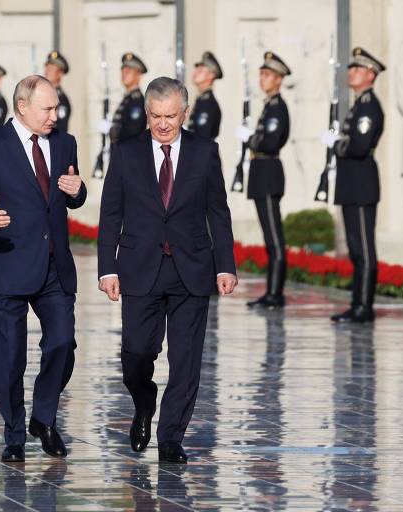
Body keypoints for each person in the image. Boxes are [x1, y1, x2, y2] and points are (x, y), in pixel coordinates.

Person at [97, 76, 237, 464]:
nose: (163, 124)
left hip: (191, 268)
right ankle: (144, 403)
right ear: (147, 114)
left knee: (186, 358)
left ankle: (171, 436)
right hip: (139, 267)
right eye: (156, 116)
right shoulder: (125, 153)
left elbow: (218, 211)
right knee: (136, 353)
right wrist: (107, 268)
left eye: (171, 116)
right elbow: (110, 214)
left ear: (185, 113)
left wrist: (225, 264)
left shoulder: (205, 151)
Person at [0, 75, 87, 461]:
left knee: (63, 342)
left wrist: (77, 190)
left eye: (57, 107)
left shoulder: (65, 142)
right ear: (22, 108)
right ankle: (14, 432)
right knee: (9, 357)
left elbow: (71, 195)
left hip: (53, 266)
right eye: (47, 108)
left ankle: (43, 418)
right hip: (8, 263)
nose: (54, 115)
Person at [324, 47, 386, 323]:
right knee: (355, 248)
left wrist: (337, 144)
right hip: (352, 183)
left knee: (364, 248)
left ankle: (365, 306)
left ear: (370, 75)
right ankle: (357, 302)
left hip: (361, 183)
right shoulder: (359, 105)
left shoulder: (370, 106)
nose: (351, 73)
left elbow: (359, 146)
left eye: (357, 69)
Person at [239, 52, 291, 309]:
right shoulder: (269, 106)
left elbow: (269, 142)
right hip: (261, 173)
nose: (263, 79)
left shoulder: (278, 108)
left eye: (268, 75)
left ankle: (275, 292)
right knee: (268, 237)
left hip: (269, 173)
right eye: (261, 74)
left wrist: (250, 139)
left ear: (279, 79)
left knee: (274, 237)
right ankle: (271, 290)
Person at [99, 53, 147, 144]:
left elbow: (133, 131)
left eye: (128, 72)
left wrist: (111, 129)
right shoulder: (127, 99)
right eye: (123, 71)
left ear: (138, 75)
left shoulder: (137, 101)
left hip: (130, 155)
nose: (124, 74)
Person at [188, 51, 222, 140]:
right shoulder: (201, 100)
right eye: (197, 68)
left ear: (211, 75)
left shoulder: (207, 104)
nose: (196, 71)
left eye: (201, 69)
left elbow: (201, 138)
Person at [44, 51, 71, 133]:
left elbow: (60, 131)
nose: (47, 71)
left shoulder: (61, 100)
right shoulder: (41, 95)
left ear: (60, 73)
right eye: (47, 68)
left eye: (51, 69)